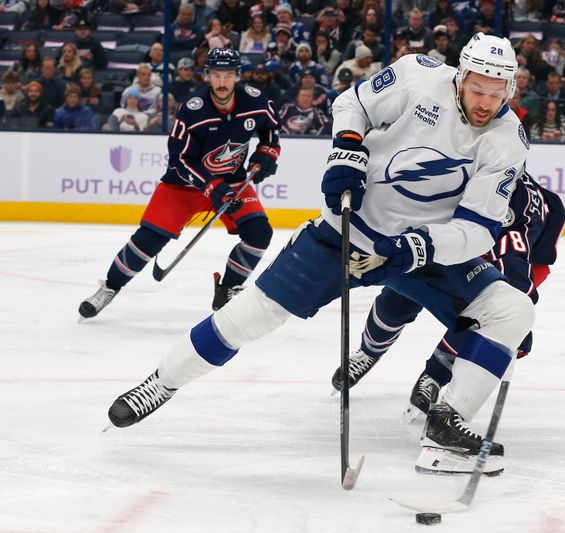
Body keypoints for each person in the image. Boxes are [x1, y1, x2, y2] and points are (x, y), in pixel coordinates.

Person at [106, 35, 532, 478]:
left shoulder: (507, 140)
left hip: (418, 253)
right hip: (345, 232)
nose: (485, 102)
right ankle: (160, 383)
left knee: (511, 311)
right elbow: (354, 103)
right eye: (477, 89)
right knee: (250, 316)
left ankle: (445, 428)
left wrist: (418, 246)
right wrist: (347, 146)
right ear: (461, 76)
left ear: (510, 89)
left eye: (496, 92)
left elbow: (479, 228)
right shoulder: (417, 76)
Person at [330, 171, 565, 428]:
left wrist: (514, 326)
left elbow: (517, 283)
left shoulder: (509, 226)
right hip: (461, 237)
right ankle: (368, 352)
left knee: (484, 316)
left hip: (510, 259)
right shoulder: (477, 176)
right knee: (401, 294)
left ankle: (433, 375)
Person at [78, 48, 282, 319]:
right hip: (182, 186)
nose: (222, 83)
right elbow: (179, 161)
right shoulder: (193, 108)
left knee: (259, 233)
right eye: (216, 75)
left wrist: (265, 155)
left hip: (232, 181)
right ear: (207, 75)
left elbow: (271, 131)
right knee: (147, 241)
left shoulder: (255, 101)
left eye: (228, 76)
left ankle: (228, 289)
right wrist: (210, 186)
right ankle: (110, 287)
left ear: (238, 76)